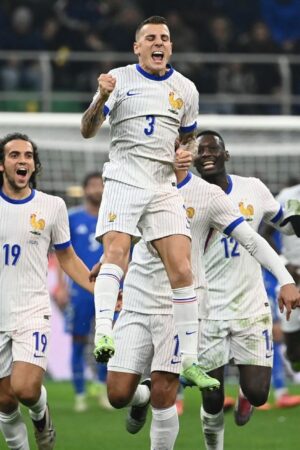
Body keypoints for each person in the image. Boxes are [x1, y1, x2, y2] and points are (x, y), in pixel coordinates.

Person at [88, 160, 300, 450]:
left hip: (183, 305)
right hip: (137, 299)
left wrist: (285, 278)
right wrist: (108, 262)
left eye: (179, 143)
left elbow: (250, 239)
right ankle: (142, 396)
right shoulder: (135, 185)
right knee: (118, 395)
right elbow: (120, 238)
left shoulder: (208, 195)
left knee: (167, 392)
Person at [80, 15, 213, 389]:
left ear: (171, 47)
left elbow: (186, 139)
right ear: (136, 47)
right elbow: (88, 130)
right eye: (151, 38)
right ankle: (104, 333)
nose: (159, 43)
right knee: (117, 252)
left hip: (162, 183)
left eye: (165, 38)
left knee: (183, 270)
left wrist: (183, 156)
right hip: (125, 176)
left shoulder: (186, 89)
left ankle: (188, 360)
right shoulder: (119, 79)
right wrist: (102, 97)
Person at [193, 130, 300, 450]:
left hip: (250, 306)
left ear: (226, 155)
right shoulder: (183, 194)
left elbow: (285, 225)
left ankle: (245, 395)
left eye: (213, 148)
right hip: (206, 307)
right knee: (211, 397)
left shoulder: (252, 188)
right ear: (193, 159)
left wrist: (295, 210)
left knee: (257, 393)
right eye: (200, 150)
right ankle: (215, 446)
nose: (207, 153)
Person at [0, 133, 94, 450]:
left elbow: (67, 256)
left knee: (25, 389)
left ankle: (42, 417)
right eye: (14, 155)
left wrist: (99, 288)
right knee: (5, 402)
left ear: (34, 165)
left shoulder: (52, 206)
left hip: (32, 311)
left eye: (27, 155)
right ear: (2, 165)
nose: (22, 160)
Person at [58, 171, 113, 412]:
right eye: (91, 185)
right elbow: (61, 254)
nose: (96, 189)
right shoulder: (72, 217)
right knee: (78, 341)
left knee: (107, 341)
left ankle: (102, 388)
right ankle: (80, 393)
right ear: (84, 190)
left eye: (100, 185)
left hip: (109, 288)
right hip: (79, 290)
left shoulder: (113, 217)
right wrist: (60, 285)